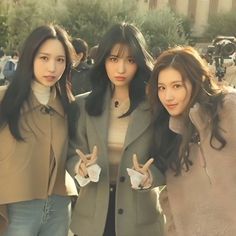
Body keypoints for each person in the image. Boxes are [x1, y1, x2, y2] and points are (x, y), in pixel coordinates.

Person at [67, 22, 165, 236]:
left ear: (139, 62)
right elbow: (71, 152)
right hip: (91, 219)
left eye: (130, 60)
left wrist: (151, 177)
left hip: (140, 220)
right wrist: (79, 167)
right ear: (103, 61)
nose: (121, 69)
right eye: (113, 59)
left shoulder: (156, 108)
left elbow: (168, 158)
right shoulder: (83, 106)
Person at [0, 24, 79, 236]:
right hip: (15, 209)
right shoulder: (4, 99)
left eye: (60, 60)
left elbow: (73, 152)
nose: (52, 68)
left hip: (59, 208)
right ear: (29, 58)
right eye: (44, 58)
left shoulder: (69, 106)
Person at [148, 46, 236, 236]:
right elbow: (171, 205)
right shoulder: (168, 134)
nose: (167, 96)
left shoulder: (229, 108)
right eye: (162, 88)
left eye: (176, 86)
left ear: (197, 81)